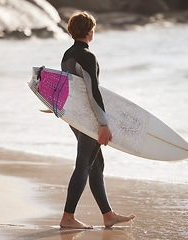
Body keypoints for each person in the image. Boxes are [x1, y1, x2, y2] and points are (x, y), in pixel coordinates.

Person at [59, 12, 135, 229]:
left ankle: (108, 215)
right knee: (83, 165)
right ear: (90, 32)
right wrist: (103, 123)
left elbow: (72, 91)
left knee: (96, 164)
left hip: (76, 117)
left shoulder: (66, 55)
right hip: (89, 118)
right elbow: (93, 92)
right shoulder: (88, 56)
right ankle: (67, 217)